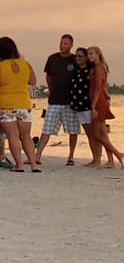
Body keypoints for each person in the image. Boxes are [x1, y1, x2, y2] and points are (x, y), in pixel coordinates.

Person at [36, 34, 80, 166]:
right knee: (47, 129)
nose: (62, 45)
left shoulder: (75, 60)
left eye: (65, 43)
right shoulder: (53, 58)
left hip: (70, 102)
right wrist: (51, 89)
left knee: (73, 130)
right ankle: (37, 156)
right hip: (54, 100)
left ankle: (71, 156)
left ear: (71, 45)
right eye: (61, 43)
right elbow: (48, 76)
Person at [0, 36, 41, 172]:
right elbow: (33, 81)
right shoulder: (25, 64)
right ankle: (34, 165)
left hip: (6, 105)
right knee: (26, 136)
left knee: (13, 135)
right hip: (24, 104)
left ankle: (19, 165)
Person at [85, 46, 123, 168]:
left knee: (96, 133)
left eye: (91, 54)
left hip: (97, 101)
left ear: (98, 54)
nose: (89, 56)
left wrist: (93, 106)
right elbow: (104, 86)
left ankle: (118, 154)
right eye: (88, 54)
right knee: (103, 133)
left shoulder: (99, 67)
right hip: (99, 100)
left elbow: (97, 88)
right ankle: (111, 161)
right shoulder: (99, 67)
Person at [69, 47, 97, 166]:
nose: (77, 58)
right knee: (89, 133)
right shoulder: (76, 71)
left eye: (80, 56)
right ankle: (95, 158)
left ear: (86, 58)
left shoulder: (90, 71)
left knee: (93, 133)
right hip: (77, 106)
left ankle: (97, 158)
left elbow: (98, 87)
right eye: (76, 56)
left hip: (87, 106)